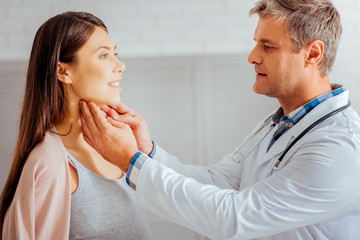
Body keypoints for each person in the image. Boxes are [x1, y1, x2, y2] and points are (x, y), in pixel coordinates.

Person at [79, 0, 360, 239]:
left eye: (268, 47)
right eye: (256, 44)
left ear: (312, 54)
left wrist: (131, 163)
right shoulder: (280, 123)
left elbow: (233, 216)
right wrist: (147, 152)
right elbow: (219, 181)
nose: (252, 57)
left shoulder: (338, 148)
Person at [0, 12, 152, 240]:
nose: (120, 65)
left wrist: (146, 154)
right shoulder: (50, 164)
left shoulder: (120, 143)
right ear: (63, 71)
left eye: (115, 54)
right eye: (103, 56)